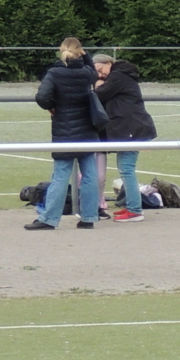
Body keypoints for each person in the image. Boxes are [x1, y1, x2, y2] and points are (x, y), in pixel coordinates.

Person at [25, 37, 105, 231]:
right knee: (89, 175)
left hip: (64, 129)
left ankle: (50, 218)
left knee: (61, 175)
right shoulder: (86, 72)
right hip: (87, 129)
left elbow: (42, 96)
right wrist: (87, 57)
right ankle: (89, 217)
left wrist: (52, 106)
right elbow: (94, 73)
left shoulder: (55, 73)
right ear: (80, 51)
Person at [92, 51, 157, 223]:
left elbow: (100, 94)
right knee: (125, 168)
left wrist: (97, 84)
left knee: (127, 169)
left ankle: (135, 210)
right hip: (130, 127)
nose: (100, 74)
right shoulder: (121, 74)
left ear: (108, 63)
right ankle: (132, 206)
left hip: (132, 128)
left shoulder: (118, 76)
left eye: (100, 70)